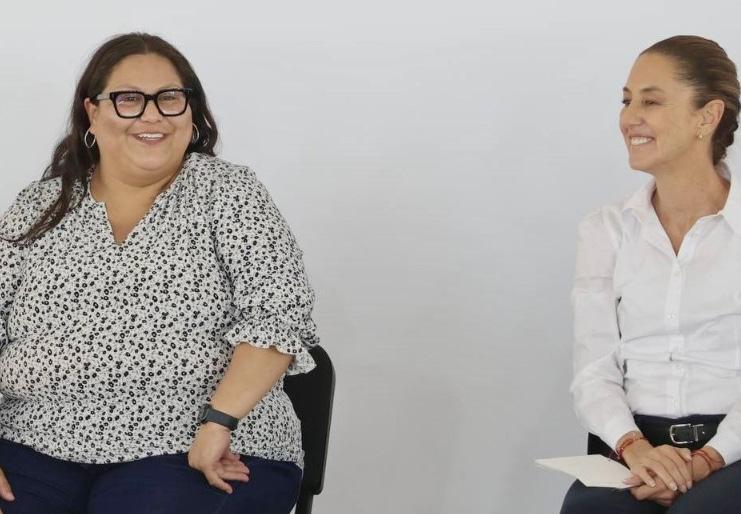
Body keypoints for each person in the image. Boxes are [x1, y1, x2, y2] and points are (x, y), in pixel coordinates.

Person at [0, 32, 318, 514]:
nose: (152, 115)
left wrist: (219, 422)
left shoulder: (228, 192)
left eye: (169, 98)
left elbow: (278, 314)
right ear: (93, 112)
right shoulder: (39, 206)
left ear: (191, 112)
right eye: (129, 99)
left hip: (199, 445)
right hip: (34, 439)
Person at [560, 35, 741, 514]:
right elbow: (593, 368)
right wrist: (635, 449)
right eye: (626, 101)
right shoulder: (605, 229)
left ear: (708, 116)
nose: (629, 118)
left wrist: (708, 459)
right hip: (634, 447)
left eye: (651, 101)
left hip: (734, 449)